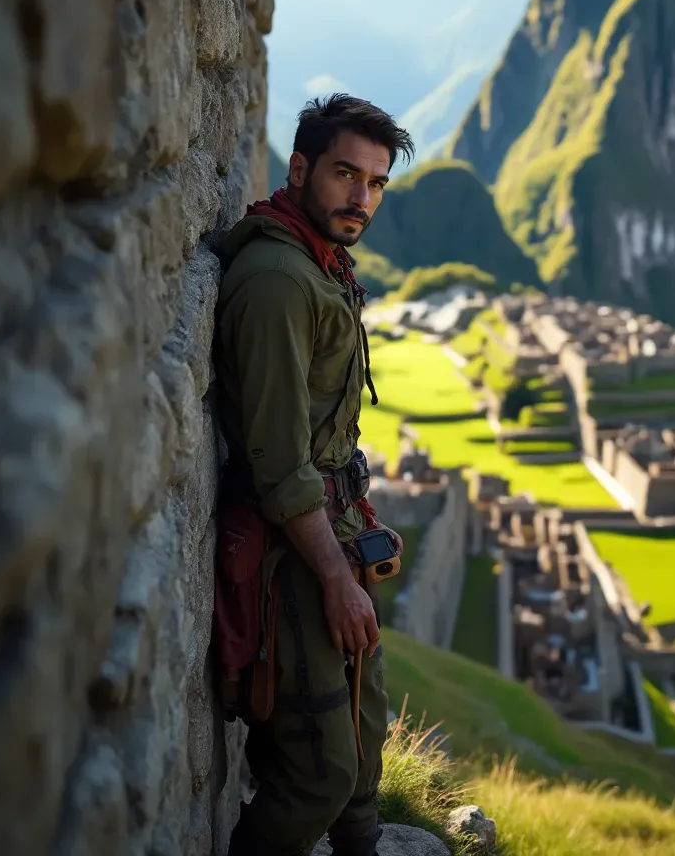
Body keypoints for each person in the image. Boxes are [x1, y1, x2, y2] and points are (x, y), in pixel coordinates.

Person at [214, 94, 415, 856]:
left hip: (335, 527)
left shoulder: (321, 261)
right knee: (320, 774)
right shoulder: (278, 280)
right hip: (289, 550)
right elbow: (278, 461)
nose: (360, 198)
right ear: (300, 169)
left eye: (375, 183)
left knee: (363, 735)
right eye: (344, 174)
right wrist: (333, 576)